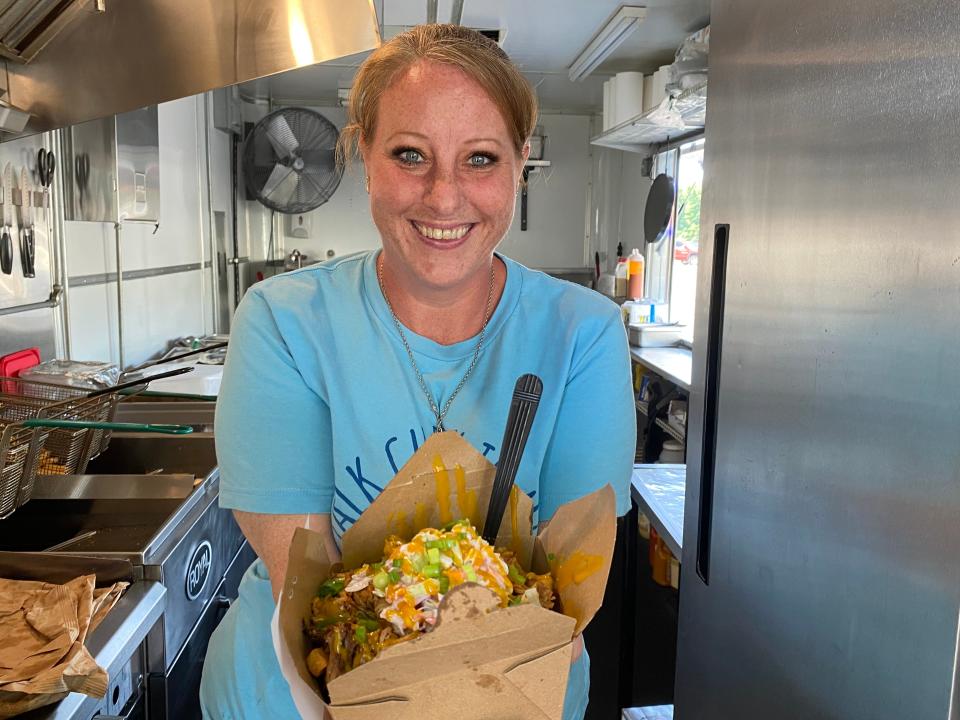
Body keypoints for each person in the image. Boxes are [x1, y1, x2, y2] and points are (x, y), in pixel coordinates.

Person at [200, 23, 636, 720]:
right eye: (410, 155)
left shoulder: (581, 334)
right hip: (291, 699)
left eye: (481, 159)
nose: (443, 196)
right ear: (363, 155)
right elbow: (317, 602)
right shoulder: (285, 322)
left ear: (520, 164)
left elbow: (564, 586)